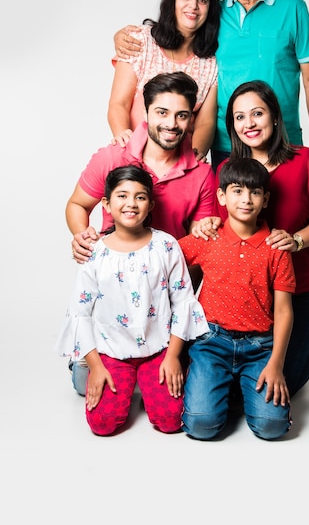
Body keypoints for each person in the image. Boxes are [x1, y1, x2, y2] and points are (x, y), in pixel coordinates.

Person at [113, 0, 309, 170]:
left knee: (289, 208)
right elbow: (178, 30)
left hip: (284, 140)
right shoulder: (214, 15)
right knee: (231, 207)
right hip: (227, 145)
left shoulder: (293, 7)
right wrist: (123, 36)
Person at [66, 71, 216, 394]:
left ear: (191, 120)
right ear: (145, 113)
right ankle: (89, 350)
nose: (171, 124)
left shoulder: (203, 174)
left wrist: (171, 297)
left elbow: (199, 249)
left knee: (174, 388)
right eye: (162, 113)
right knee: (83, 385)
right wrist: (82, 235)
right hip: (111, 297)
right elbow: (77, 205)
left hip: (164, 299)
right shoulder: (111, 157)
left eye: (181, 115)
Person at [192, 80, 309, 397]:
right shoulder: (228, 170)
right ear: (232, 126)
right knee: (240, 386)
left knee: (287, 382)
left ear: (274, 117)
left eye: (257, 113)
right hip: (248, 297)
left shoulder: (304, 161)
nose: (249, 123)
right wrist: (205, 224)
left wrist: (298, 240)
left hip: (298, 288)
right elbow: (222, 229)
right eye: (239, 117)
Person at [56, 165, 209, 436]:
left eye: (140, 197)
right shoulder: (95, 253)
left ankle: (148, 378)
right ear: (106, 204)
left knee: (171, 420)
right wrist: (96, 366)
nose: (131, 204)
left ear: (150, 204)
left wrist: (173, 356)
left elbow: (183, 302)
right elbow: (80, 313)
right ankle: (82, 368)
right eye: (122, 196)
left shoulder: (166, 246)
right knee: (102, 425)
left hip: (158, 349)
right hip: (111, 352)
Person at [178, 157, 296, 441]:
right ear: (222, 195)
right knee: (201, 425)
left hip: (259, 348)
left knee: (272, 427)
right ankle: (220, 390)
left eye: (255, 192)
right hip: (211, 342)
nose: (246, 199)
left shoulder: (276, 246)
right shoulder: (208, 237)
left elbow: (283, 311)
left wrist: (276, 364)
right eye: (237, 190)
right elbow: (162, 257)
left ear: (266, 199)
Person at [109, 0, 219, 161]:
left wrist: (191, 161)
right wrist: (127, 149)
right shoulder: (140, 41)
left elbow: (205, 122)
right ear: (173, 0)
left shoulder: (210, 63)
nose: (193, 6)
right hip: (131, 154)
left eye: (202, 0)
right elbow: (119, 103)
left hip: (179, 162)